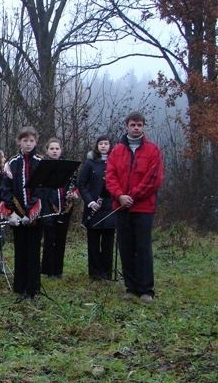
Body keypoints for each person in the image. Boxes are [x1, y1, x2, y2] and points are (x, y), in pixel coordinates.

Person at [105, 112, 164, 303]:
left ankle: (146, 289)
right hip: (121, 208)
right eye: (133, 125)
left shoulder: (153, 150)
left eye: (139, 125)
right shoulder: (116, 151)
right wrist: (120, 196)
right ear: (126, 126)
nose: (136, 128)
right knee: (126, 247)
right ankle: (130, 288)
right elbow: (110, 176)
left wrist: (133, 196)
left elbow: (154, 179)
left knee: (143, 248)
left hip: (144, 208)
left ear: (143, 126)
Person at [0, 126, 43, 300]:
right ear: (19, 142)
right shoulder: (12, 163)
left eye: (31, 141)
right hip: (17, 215)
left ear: (36, 142)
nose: (28, 144)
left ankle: (33, 289)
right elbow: (5, 189)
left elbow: (41, 189)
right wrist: (11, 213)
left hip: (35, 215)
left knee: (33, 251)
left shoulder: (41, 162)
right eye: (25, 140)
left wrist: (32, 211)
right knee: (20, 250)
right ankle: (20, 288)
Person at [77, 135, 117, 280]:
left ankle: (106, 273)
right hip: (93, 208)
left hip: (110, 208)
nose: (104, 146)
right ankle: (94, 274)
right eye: (101, 144)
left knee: (108, 243)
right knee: (93, 242)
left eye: (106, 144)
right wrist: (90, 201)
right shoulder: (90, 163)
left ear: (110, 145)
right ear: (97, 146)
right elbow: (81, 184)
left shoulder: (115, 162)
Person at [40, 138, 78, 279]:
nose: (55, 151)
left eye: (57, 148)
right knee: (49, 238)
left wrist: (72, 194)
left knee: (61, 239)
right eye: (52, 149)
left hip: (65, 207)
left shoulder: (67, 167)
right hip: (49, 207)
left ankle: (58, 270)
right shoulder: (43, 166)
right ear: (47, 150)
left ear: (61, 150)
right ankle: (47, 269)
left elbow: (75, 185)